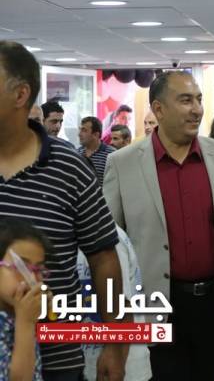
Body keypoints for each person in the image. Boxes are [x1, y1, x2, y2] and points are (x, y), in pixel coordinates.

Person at [103, 71, 214, 381]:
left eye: (199, 99)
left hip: (212, 305)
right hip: (154, 304)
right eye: (185, 100)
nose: (196, 109)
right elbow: (111, 246)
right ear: (159, 109)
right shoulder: (123, 163)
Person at [0, 40, 126, 381]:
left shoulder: (68, 167)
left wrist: (115, 343)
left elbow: (104, 258)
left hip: (56, 356)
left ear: (20, 94)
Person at [77, 225, 152, 381]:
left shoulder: (108, 240)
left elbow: (123, 309)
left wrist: (116, 366)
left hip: (122, 369)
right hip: (90, 363)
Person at [0, 218, 49, 381]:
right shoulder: (24, 320)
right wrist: (26, 323)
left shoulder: (18, 316)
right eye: (20, 267)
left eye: (39, 269)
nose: (32, 279)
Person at [78, 116, 116, 186]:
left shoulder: (111, 154)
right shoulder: (77, 153)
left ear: (96, 135)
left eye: (84, 130)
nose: (79, 134)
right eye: (80, 130)